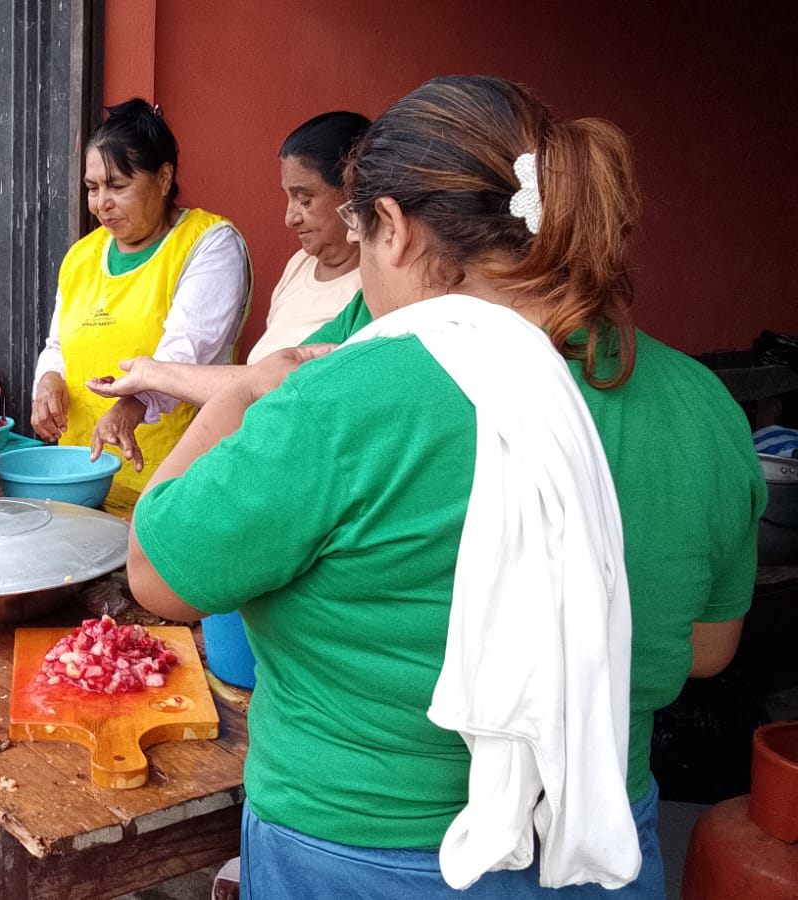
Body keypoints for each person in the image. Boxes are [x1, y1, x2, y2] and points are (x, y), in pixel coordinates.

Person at [128, 75, 764, 897]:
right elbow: (707, 649)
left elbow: (158, 575)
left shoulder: (340, 402)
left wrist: (241, 394)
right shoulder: (702, 406)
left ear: (392, 228)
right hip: (600, 843)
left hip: (355, 855)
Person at [29, 98, 251, 491]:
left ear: (163, 179)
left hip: (173, 484)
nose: (101, 204)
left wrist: (131, 406)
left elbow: (183, 353)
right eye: (92, 188)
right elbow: (58, 346)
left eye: (118, 186)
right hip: (82, 477)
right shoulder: (81, 256)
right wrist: (48, 380)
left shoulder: (208, 244)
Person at [85, 112, 367, 410]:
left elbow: (294, 389)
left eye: (305, 200)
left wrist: (151, 380)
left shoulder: (375, 286)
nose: (290, 218)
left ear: (354, 194)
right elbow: (260, 380)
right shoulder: (300, 265)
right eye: (92, 188)